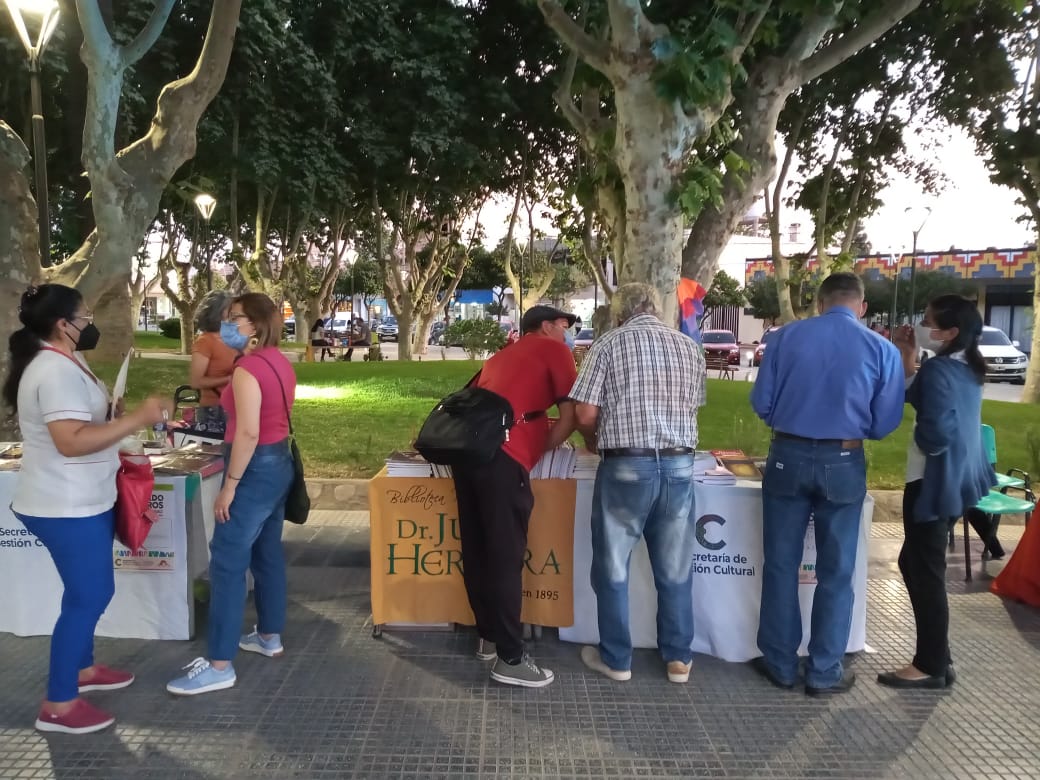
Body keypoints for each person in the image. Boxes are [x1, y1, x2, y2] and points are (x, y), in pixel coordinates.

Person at [4, 284, 167, 734]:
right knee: (89, 596)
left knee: (86, 593)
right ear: (63, 325)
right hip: (64, 504)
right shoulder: (52, 371)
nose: (90, 323)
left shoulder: (66, 361)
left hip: (82, 499)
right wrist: (136, 419)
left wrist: (113, 413)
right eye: (85, 316)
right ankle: (58, 705)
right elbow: (70, 441)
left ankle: (82, 669)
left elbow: (82, 423)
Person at [750, 272, 904, 695]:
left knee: (781, 564)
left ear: (819, 302)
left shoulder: (784, 338)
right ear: (862, 306)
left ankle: (780, 664)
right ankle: (823, 671)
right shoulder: (882, 348)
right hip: (844, 457)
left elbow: (761, 402)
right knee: (836, 570)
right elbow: (885, 422)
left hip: (788, 457)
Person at [569, 283, 706, 684]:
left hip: (627, 467)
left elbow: (584, 413)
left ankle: (617, 659)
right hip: (680, 465)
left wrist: (594, 441)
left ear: (619, 313)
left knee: (612, 568)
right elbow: (693, 405)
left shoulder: (609, 345)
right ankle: (679, 658)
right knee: (676, 567)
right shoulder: (687, 346)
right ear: (656, 308)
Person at [167, 293, 297, 696]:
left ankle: (219, 664)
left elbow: (248, 431)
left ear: (255, 324)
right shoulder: (279, 361)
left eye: (234, 318)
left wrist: (230, 486)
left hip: (254, 467)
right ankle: (269, 636)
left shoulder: (248, 370)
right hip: (279, 464)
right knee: (266, 553)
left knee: (226, 559)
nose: (227, 324)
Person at [451, 304, 580, 688]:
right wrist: (531, 454)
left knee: (478, 550)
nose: (567, 332)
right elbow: (571, 417)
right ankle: (510, 657)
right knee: (507, 556)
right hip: (504, 460)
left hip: (468, 457)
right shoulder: (554, 350)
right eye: (563, 325)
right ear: (543, 327)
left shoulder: (501, 356)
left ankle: (488, 637)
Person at [880, 296, 995, 689]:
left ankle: (930, 664)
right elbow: (915, 389)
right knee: (914, 564)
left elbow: (934, 428)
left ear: (950, 332)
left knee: (925, 571)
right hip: (953, 480)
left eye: (928, 321)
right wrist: (907, 353)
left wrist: (927, 439)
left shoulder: (942, 370)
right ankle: (937, 654)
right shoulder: (966, 367)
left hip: (931, 483)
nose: (921, 324)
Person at [189, 290, 236, 428]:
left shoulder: (233, 338)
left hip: (236, 406)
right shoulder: (205, 342)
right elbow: (196, 381)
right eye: (230, 309)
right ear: (219, 312)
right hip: (214, 410)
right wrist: (228, 379)